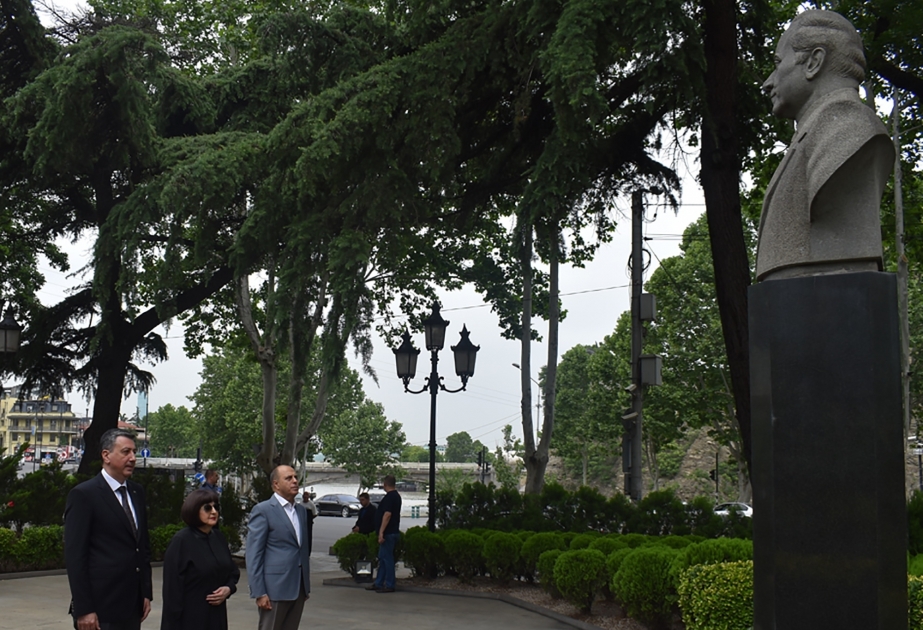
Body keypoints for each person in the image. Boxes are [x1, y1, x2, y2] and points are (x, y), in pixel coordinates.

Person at [756, 10, 893, 283]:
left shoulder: (849, 127)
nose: (767, 82)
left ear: (814, 62)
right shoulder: (812, 135)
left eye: (778, 62)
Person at [65, 428, 153, 630]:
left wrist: (145, 592)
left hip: (132, 607)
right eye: (125, 452)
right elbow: (75, 556)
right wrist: (84, 608)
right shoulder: (84, 495)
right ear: (106, 455)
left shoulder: (136, 492)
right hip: (99, 609)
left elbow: (142, 546)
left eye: (134, 452)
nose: (132, 458)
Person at [161, 489, 240, 630]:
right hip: (190, 618)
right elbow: (172, 591)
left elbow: (232, 572)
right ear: (194, 509)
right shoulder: (181, 541)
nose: (214, 511)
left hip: (217, 617)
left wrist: (228, 588)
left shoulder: (218, 538)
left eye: (216, 507)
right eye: (207, 508)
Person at [245, 466, 312, 630]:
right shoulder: (263, 510)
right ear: (276, 484)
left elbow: (301, 549)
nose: (295, 481)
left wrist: (305, 585)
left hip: (298, 587)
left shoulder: (301, 511)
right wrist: (259, 591)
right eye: (288, 478)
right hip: (274, 588)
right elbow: (254, 554)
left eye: (295, 477)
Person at [367, 475, 401, 593]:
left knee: (387, 559)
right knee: (382, 558)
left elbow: (387, 515)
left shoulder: (389, 498)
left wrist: (381, 532)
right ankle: (379, 582)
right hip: (393, 531)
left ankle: (390, 584)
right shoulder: (397, 496)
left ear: (385, 484)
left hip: (388, 533)